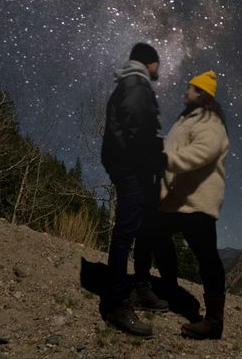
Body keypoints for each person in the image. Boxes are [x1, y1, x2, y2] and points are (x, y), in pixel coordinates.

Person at [142, 70, 230, 340]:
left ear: (202, 94)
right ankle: (168, 288)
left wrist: (166, 160)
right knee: (152, 232)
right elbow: (171, 149)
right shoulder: (185, 120)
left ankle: (214, 321)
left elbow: (205, 151)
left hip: (199, 200)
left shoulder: (210, 121)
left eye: (191, 88)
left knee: (206, 257)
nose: (186, 91)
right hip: (175, 199)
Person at [100, 42, 167, 337]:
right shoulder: (137, 84)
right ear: (149, 63)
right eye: (158, 65)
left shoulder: (130, 83)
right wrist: (161, 154)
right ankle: (116, 302)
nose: (159, 70)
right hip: (131, 166)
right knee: (127, 230)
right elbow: (138, 131)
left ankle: (140, 287)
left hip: (131, 163)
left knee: (146, 225)